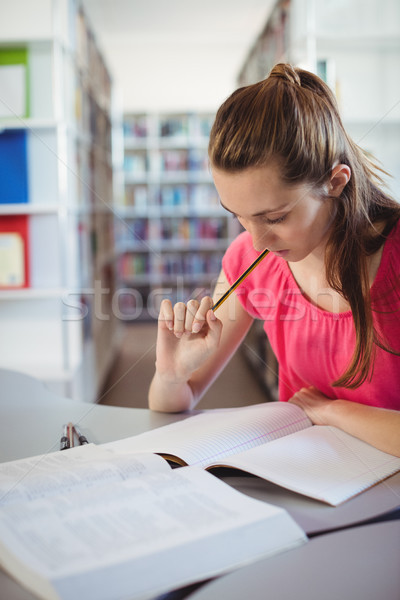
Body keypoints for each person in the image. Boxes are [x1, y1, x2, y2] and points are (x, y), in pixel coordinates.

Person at [148, 63, 400, 457]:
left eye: (275, 218)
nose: (257, 241)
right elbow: (173, 405)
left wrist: (334, 412)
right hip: (306, 484)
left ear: (335, 181)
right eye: (239, 217)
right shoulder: (248, 259)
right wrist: (172, 374)